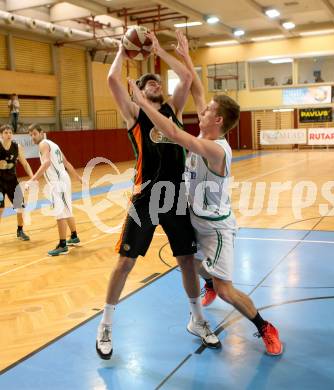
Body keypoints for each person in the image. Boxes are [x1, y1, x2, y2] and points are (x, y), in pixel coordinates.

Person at [127, 30, 283, 356]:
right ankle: (208, 283)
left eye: (208, 109)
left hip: (216, 229)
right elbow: (196, 88)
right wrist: (182, 55)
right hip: (194, 217)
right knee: (188, 261)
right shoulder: (206, 126)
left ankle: (264, 327)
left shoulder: (215, 149)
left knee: (226, 290)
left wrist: (141, 102)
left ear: (219, 120)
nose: (202, 109)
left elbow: (170, 130)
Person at [95, 32, 220, 360]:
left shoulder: (172, 110)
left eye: (157, 81)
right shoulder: (133, 113)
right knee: (125, 262)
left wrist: (159, 51)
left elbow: (187, 77)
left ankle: (197, 319)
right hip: (146, 197)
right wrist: (123, 48)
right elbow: (111, 78)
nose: (155, 83)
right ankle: (105, 324)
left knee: (187, 262)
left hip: (177, 196)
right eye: (148, 81)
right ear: (138, 89)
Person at [26, 124, 81, 256]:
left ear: (41, 132)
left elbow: (46, 163)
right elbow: (66, 163)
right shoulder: (53, 144)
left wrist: (32, 179)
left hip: (58, 182)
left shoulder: (43, 144)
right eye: (30, 135)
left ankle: (62, 245)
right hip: (64, 179)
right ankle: (74, 236)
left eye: (34, 133)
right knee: (67, 209)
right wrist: (78, 177)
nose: (32, 137)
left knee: (59, 212)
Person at [0, 124, 33, 240]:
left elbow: (25, 163)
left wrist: (32, 177)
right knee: (0, 208)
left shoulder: (17, 147)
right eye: (6, 133)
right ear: (1, 135)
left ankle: (20, 231)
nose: (8, 135)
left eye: (10, 132)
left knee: (20, 207)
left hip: (12, 180)